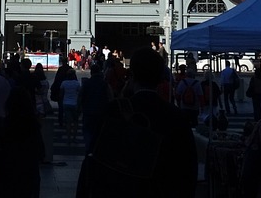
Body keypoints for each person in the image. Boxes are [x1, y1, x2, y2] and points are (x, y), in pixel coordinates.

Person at [78, 47, 197, 197]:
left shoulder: (115, 110)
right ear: (161, 78)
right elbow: (188, 171)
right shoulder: (176, 116)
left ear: (131, 75)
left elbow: (96, 158)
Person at [0, 84, 44, 197]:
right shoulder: (33, 126)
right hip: (28, 174)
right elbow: (41, 152)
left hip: (5, 172)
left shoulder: (2, 124)